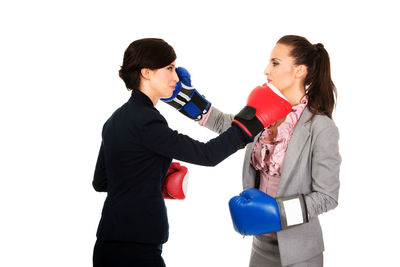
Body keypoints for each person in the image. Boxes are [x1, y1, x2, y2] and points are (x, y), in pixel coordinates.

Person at [92, 38, 292, 267]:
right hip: (137, 247)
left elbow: (101, 181)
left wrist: (150, 176)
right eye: (169, 68)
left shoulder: (114, 120)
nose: (175, 77)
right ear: (146, 73)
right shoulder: (147, 121)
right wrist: (251, 125)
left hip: (107, 243)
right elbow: (207, 155)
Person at [165, 35, 341, 267]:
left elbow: (327, 197)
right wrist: (185, 97)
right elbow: (223, 124)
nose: (266, 70)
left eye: (275, 63)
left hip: (300, 253)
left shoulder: (320, 127)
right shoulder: (264, 112)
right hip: (261, 245)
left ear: (299, 71)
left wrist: (278, 212)